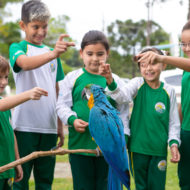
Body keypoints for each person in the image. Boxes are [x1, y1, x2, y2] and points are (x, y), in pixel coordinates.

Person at [9, 0, 75, 189]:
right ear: (23, 25)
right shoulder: (18, 47)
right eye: (35, 26)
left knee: (45, 182)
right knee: (20, 181)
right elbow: (24, 63)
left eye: (44, 26)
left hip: (48, 128)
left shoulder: (52, 54)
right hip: (23, 128)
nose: (41, 31)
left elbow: (57, 92)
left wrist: (59, 126)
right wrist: (53, 54)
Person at [56, 30, 129, 190]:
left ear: (107, 54)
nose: (95, 58)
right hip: (79, 147)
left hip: (108, 151)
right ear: (81, 54)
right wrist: (72, 120)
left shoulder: (114, 79)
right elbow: (61, 105)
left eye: (100, 54)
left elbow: (123, 107)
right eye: (90, 53)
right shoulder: (72, 78)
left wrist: (122, 139)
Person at [100, 47, 181, 190]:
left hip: (159, 150)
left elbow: (173, 123)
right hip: (137, 149)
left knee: (157, 187)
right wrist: (109, 80)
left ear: (163, 64)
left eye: (153, 63)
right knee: (140, 186)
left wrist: (174, 143)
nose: (148, 69)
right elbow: (121, 97)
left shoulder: (169, 91)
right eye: (143, 65)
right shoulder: (137, 84)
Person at [136, 21, 190, 190]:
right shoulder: (185, 70)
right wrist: (175, 134)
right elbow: (185, 103)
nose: (187, 49)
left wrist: (161, 57)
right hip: (186, 133)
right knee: (186, 181)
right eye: (183, 44)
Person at [0, 55, 48, 190]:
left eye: (5, 77)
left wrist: (17, 162)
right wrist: (28, 94)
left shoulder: (5, 106)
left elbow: (10, 133)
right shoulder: (3, 104)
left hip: (7, 168)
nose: (3, 82)